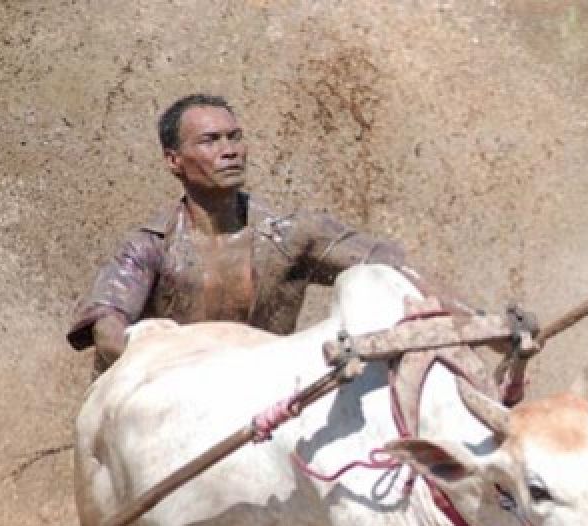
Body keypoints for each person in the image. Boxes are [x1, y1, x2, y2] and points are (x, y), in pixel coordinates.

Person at [67, 93, 407, 371]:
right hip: (170, 404)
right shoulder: (150, 245)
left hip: (264, 404)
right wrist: (162, 372)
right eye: (210, 141)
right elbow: (107, 326)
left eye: (235, 137)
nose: (229, 151)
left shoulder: (294, 236)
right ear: (174, 161)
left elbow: (395, 271)